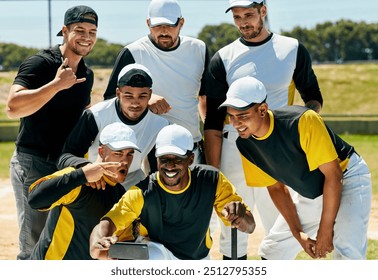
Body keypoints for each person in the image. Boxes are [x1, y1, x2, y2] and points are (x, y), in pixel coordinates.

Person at [203, 0, 323, 259]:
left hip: (279, 146)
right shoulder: (222, 57)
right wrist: (214, 172)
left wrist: (298, 135)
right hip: (236, 144)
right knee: (233, 224)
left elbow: (313, 98)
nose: (243, 22)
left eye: (249, 14)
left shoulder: (291, 49)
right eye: (237, 17)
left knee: (278, 223)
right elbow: (212, 123)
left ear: (263, 12)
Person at [219, 76, 372, 259]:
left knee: (347, 252)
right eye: (231, 116)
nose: (235, 124)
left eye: (242, 116)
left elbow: (334, 175)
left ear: (262, 110)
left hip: (348, 177)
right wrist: (299, 235)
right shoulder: (246, 145)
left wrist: (325, 229)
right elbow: (276, 188)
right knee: (272, 251)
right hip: (313, 190)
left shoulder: (302, 120)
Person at [6, 5, 98, 260]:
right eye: (79, 30)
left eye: (92, 31)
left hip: (64, 165)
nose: (86, 37)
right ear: (65, 30)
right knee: (33, 242)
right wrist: (56, 85)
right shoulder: (41, 63)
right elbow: (13, 107)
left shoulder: (87, 74)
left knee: (59, 237)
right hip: (34, 162)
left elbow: (83, 115)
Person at [89, 124, 256, 260]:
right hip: (156, 252)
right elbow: (109, 222)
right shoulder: (142, 192)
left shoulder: (212, 180)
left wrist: (241, 217)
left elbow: (250, 226)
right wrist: (98, 241)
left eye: (177, 159)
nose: (169, 166)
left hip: (197, 257)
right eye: (164, 159)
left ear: (190, 159)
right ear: (157, 159)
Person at [103, 0, 210, 165]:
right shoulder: (132, 52)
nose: (164, 31)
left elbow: (206, 97)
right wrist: (144, 100)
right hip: (150, 150)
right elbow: (110, 99)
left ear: (181, 23)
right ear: (148, 23)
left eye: (170, 25)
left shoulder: (199, 49)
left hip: (192, 147)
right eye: (157, 26)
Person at [28, 123, 140, 260]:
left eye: (130, 154)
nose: (125, 161)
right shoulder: (78, 179)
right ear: (101, 152)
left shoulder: (122, 196)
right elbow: (35, 199)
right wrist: (82, 175)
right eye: (118, 153)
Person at [57, 63, 170, 190]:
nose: (135, 102)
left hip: (133, 182)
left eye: (142, 96)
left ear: (150, 95)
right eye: (128, 96)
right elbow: (66, 156)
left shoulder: (161, 125)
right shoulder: (96, 115)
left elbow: (157, 169)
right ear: (118, 93)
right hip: (96, 180)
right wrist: (86, 167)